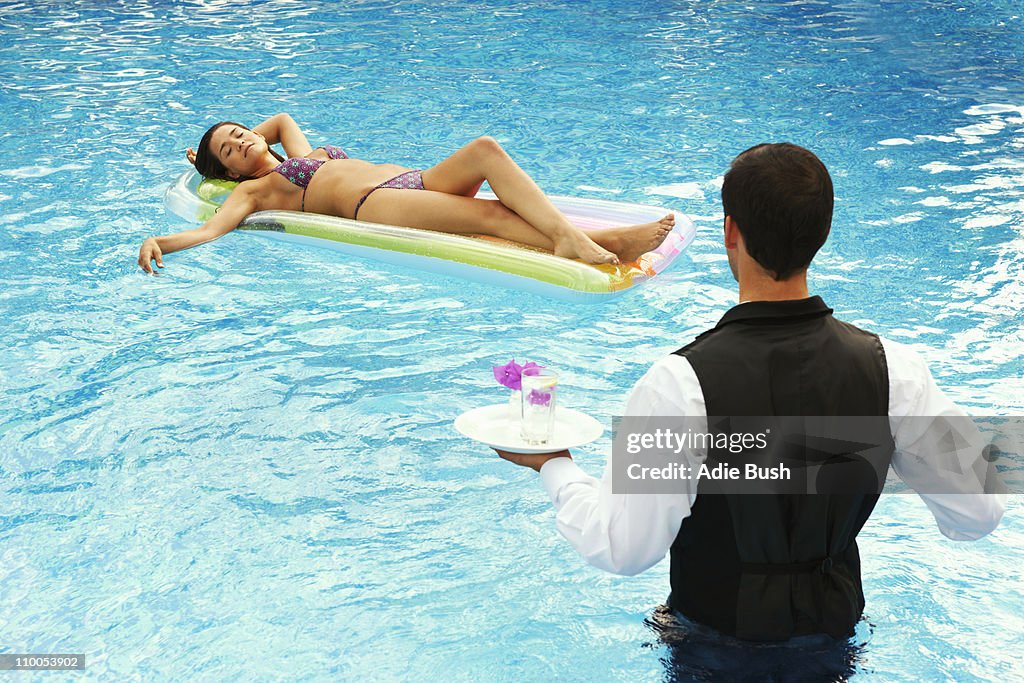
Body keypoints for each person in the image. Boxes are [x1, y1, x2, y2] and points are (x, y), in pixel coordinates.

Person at [496, 144, 1006, 654]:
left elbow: (621, 548)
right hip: (834, 642)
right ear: (821, 235)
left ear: (730, 230)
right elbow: (978, 512)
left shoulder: (679, 383)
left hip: (712, 645)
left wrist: (554, 466)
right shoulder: (894, 371)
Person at [137, 113, 675, 273]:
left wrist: (206, 149)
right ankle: (584, 239)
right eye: (230, 151)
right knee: (486, 215)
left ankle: (572, 237)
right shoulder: (256, 192)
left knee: (485, 149)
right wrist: (162, 241)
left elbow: (279, 119)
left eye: (240, 133)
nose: (244, 143)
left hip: (410, 180)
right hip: (377, 205)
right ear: (228, 175)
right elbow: (211, 228)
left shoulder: (294, 151)